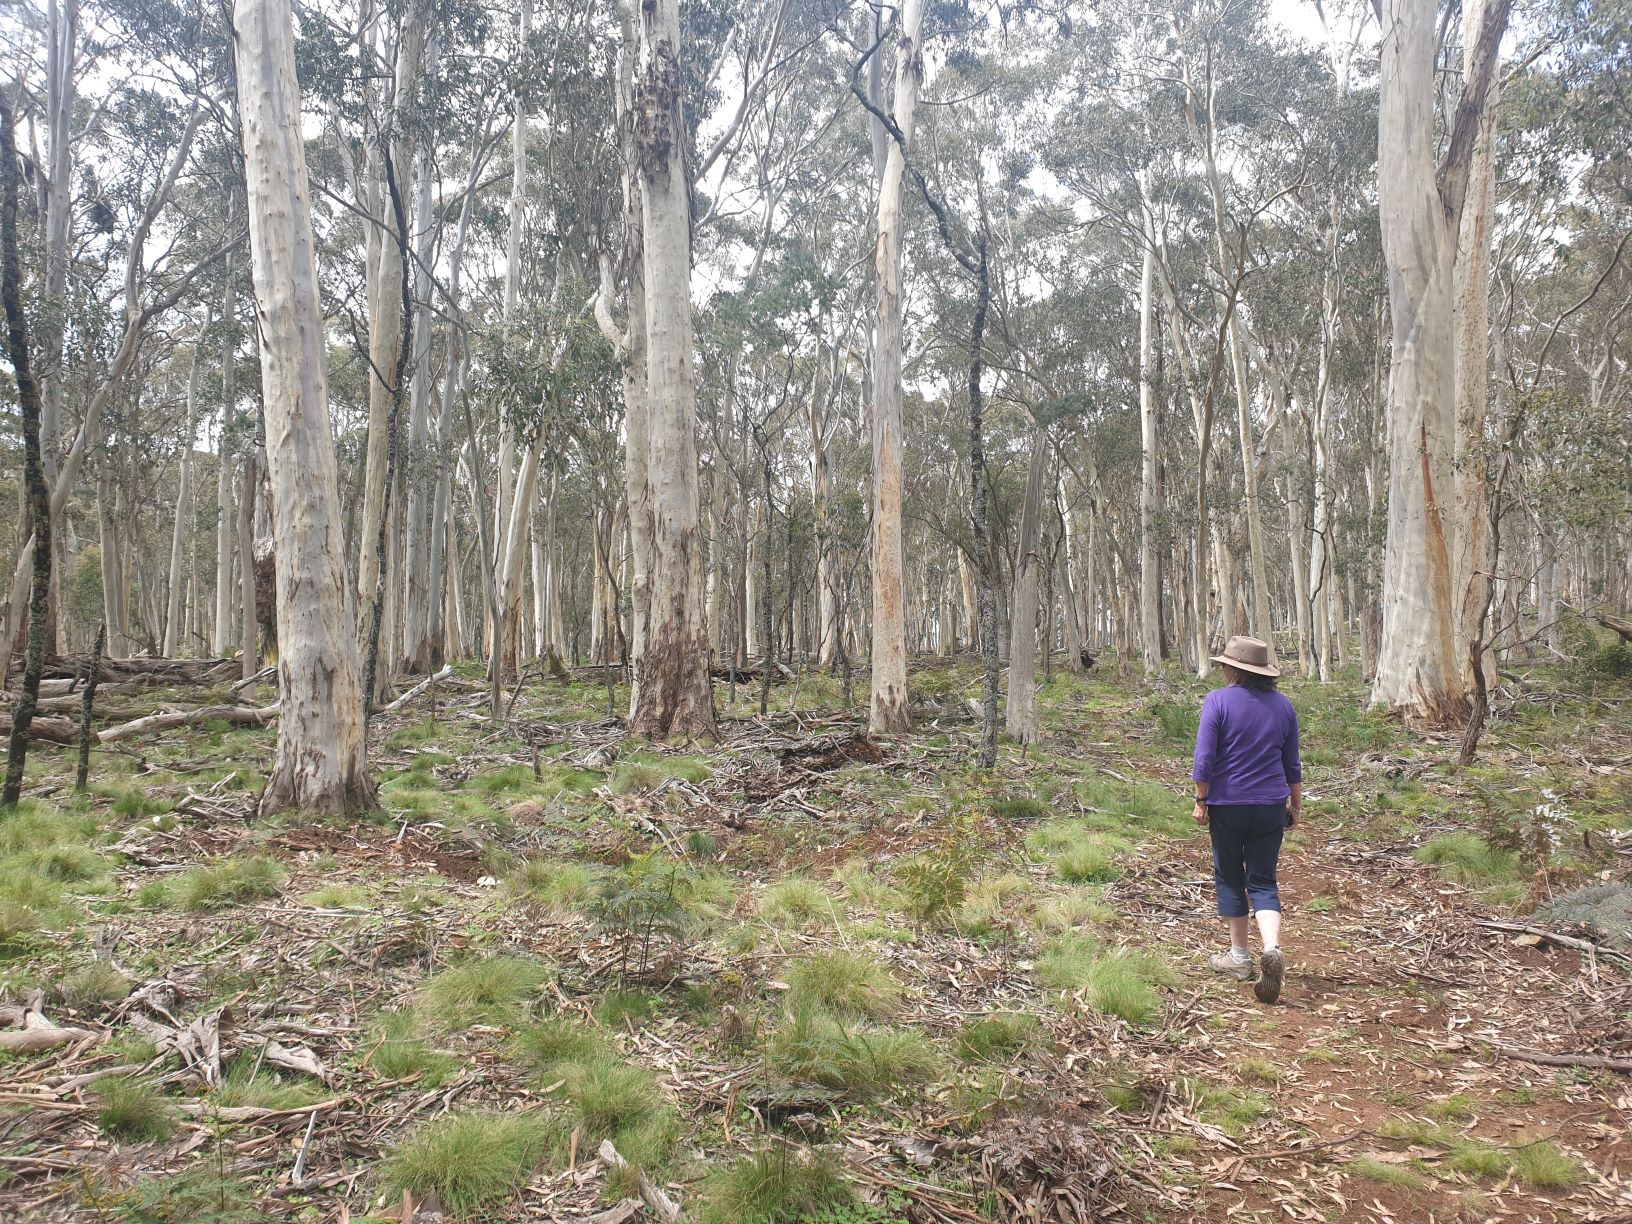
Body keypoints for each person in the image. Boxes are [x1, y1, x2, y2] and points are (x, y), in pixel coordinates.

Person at [1191, 635, 1302, 1004]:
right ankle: (1272, 948)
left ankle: (1239, 958)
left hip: (1228, 803)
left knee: (1229, 875)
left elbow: (1204, 758)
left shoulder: (1218, 701)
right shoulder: (1283, 706)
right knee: (1263, 879)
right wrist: (1295, 804)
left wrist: (1201, 800)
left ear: (1234, 670)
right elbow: (1292, 763)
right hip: (1270, 804)